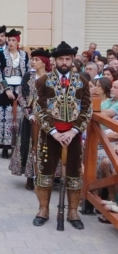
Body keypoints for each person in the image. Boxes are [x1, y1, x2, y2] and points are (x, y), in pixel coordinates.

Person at [32, 41, 91, 230]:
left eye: (68, 58)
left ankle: (73, 211)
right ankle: (43, 209)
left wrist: (74, 130)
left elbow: (87, 108)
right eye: (61, 59)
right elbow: (39, 108)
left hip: (73, 134)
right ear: (55, 60)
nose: (64, 62)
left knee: (74, 172)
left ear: (72, 60)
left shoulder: (81, 81)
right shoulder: (43, 80)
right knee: (45, 171)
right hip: (50, 134)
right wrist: (55, 132)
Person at [10, 48, 51, 190]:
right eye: (32, 59)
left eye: (36, 60)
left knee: (45, 146)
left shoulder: (51, 78)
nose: (33, 62)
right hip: (30, 118)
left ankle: (45, 176)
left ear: (44, 62)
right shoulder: (28, 76)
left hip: (47, 119)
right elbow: (21, 96)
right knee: (29, 145)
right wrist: (30, 114)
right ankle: (29, 176)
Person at [0, 29, 29, 158]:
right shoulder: (1, 54)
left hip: (20, 87)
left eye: (13, 40)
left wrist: (22, 89)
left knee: (19, 115)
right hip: (6, 87)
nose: (11, 43)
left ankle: (16, 145)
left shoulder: (24, 55)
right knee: (5, 115)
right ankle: (5, 146)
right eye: (9, 40)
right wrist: (6, 89)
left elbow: (27, 73)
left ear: (18, 42)